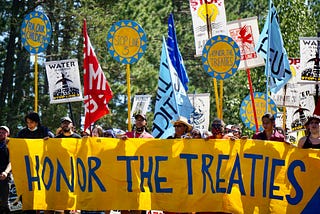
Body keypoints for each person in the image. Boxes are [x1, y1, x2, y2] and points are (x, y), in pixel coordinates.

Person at [0, 126, 11, 213]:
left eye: (4, 132)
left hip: (4, 176)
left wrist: (6, 172)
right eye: (0, 132)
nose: (1, 133)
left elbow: (12, 161)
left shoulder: (10, 145)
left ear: (8, 134)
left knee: (4, 203)